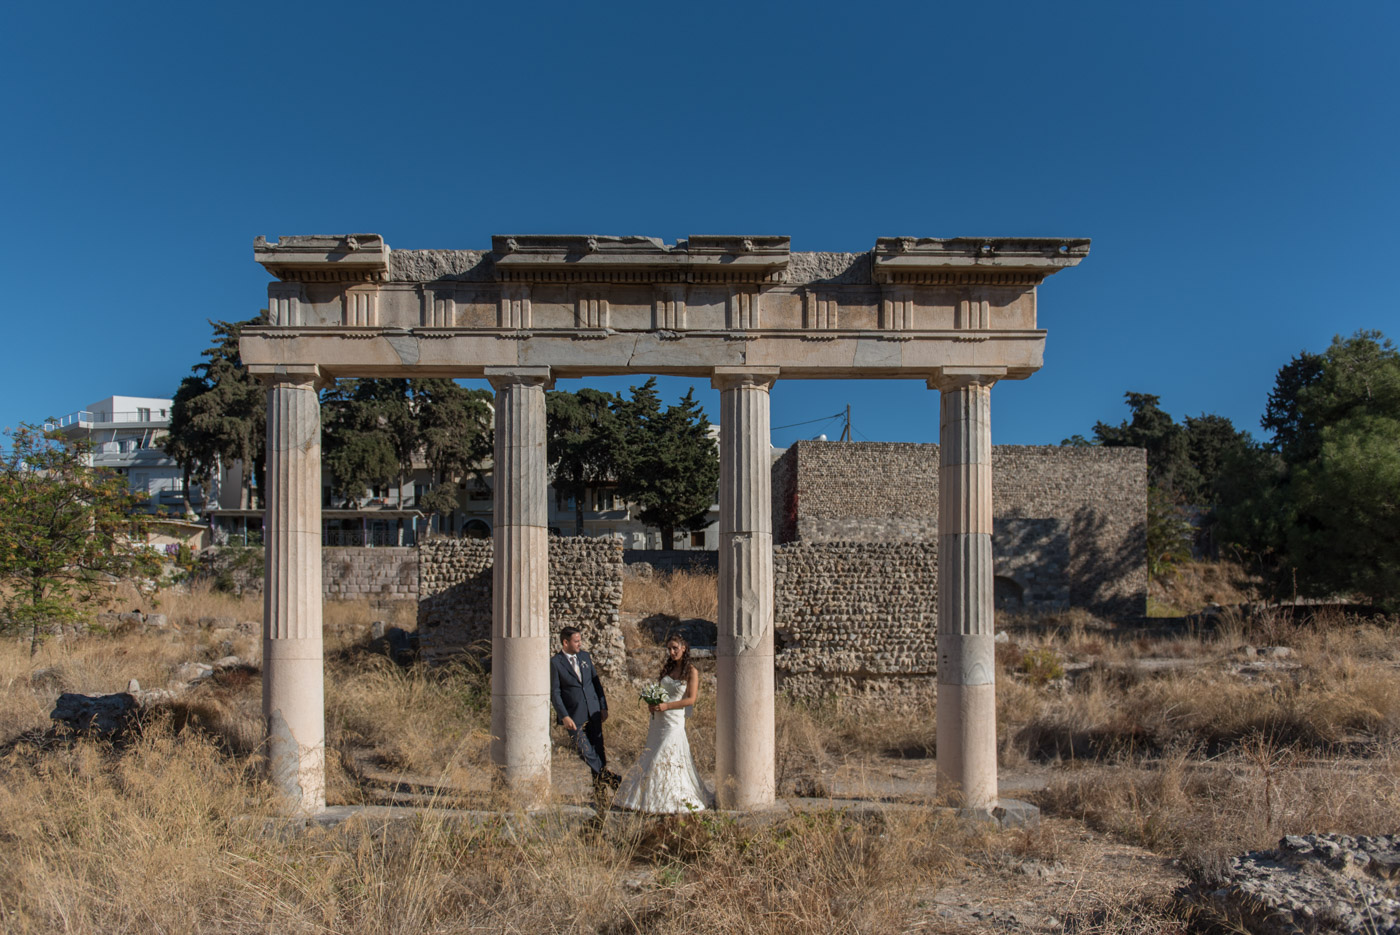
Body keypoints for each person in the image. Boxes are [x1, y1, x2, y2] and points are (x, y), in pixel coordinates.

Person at [616, 633, 713, 813]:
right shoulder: (667, 669)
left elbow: (691, 699)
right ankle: (647, 796)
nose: (672, 652)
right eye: (669, 649)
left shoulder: (691, 671)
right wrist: (653, 703)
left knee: (667, 752)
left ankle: (671, 796)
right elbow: (661, 690)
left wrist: (667, 705)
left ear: (684, 648)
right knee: (652, 753)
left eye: (675, 648)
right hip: (659, 719)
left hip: (674, 720)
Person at [550, 626, 620, 790]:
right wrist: (564, 716)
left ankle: (600, 798)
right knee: (585, 751)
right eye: (576, 641)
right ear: (565, 642)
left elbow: (596, 683)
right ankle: (611, 778)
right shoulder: (555, 663)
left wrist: (603, 707)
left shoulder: (585, 657)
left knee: (598, 752)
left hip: (593, 711)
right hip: (574, 716)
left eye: (580, 640)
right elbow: (555, 693)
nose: (580, 644)